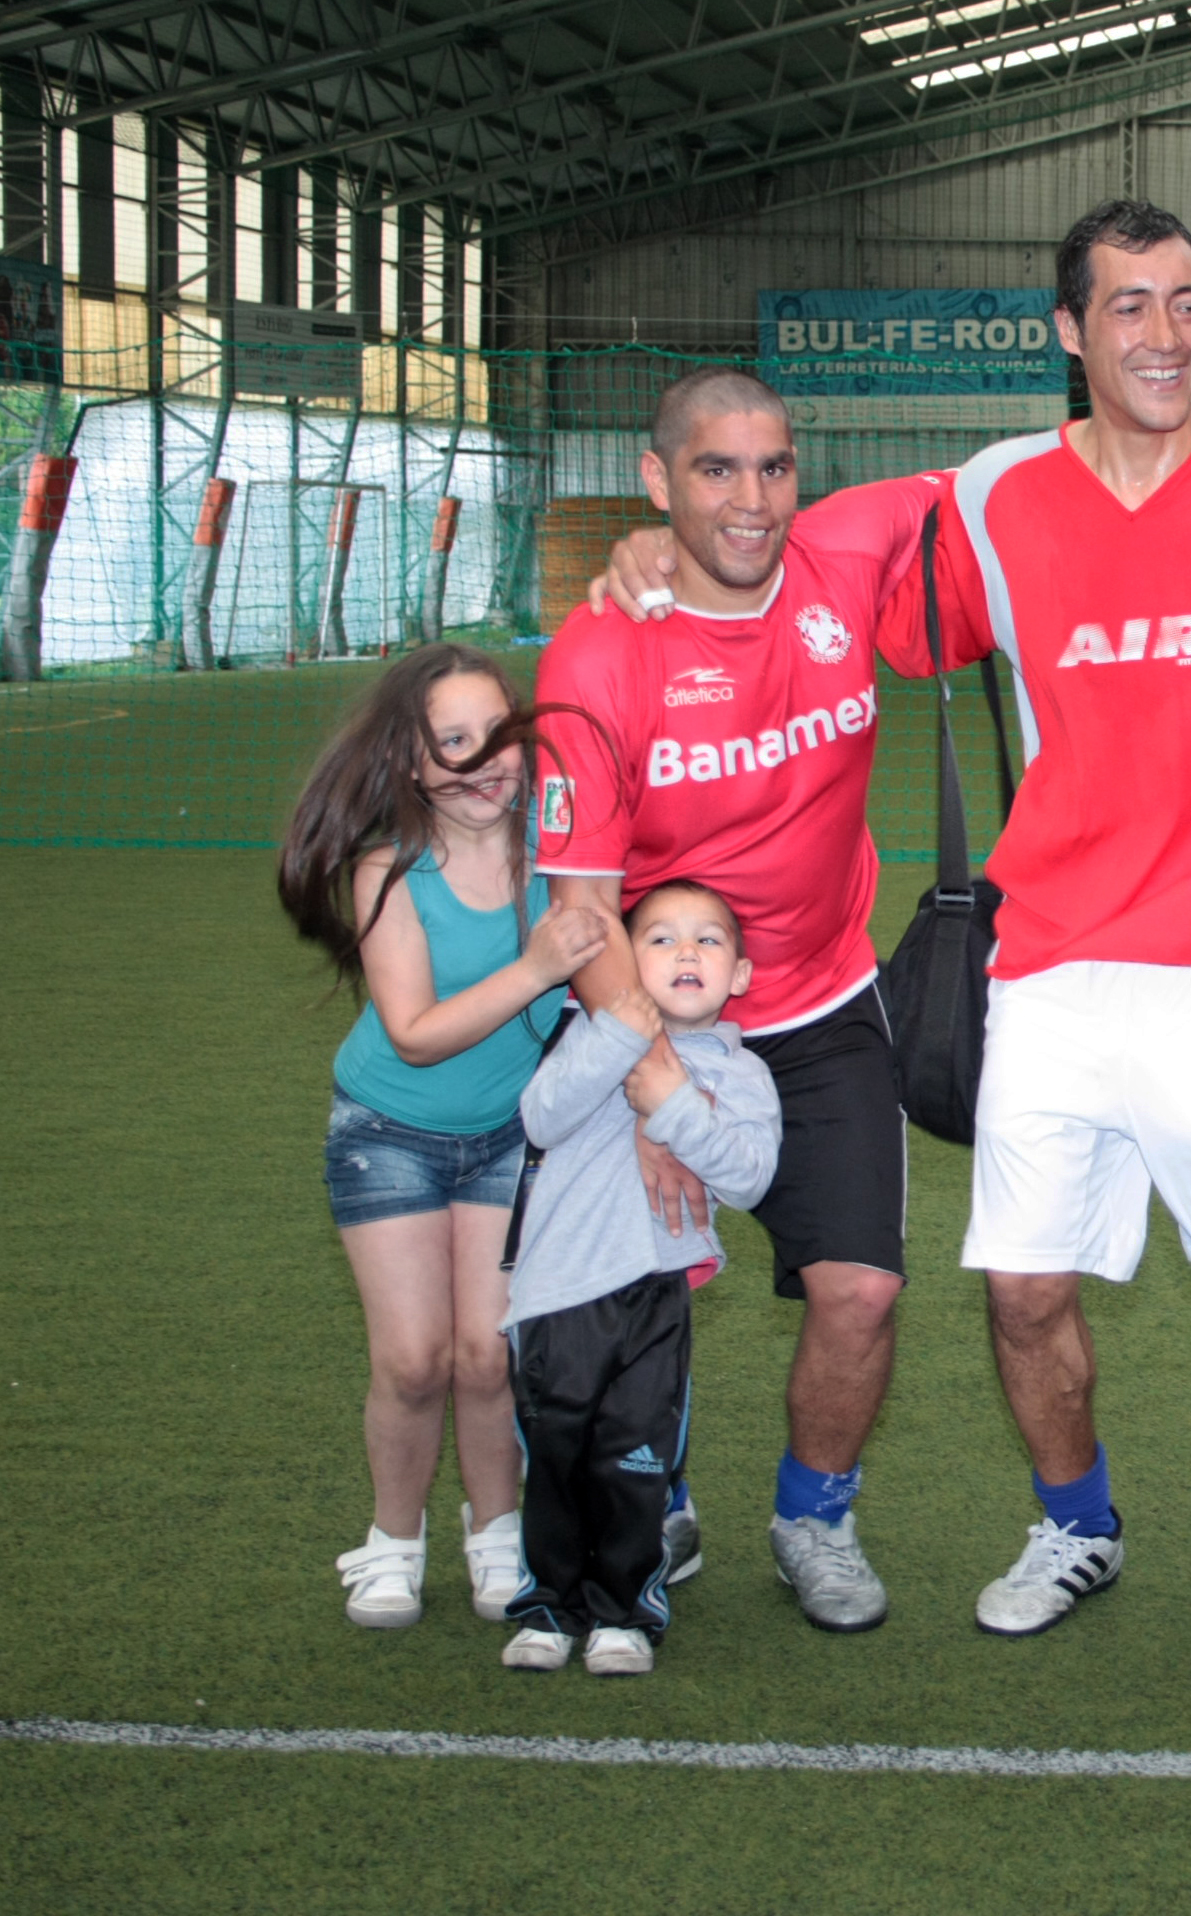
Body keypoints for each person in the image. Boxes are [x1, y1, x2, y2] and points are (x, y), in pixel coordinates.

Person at [874, 201, 1191, 1641]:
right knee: (1023, 1288)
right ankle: (1075, 1524)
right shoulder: (995, 494)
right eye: (1130, 306)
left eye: (1188, 303)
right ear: (1068, 329)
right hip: (1052, 960)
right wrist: (665, 558)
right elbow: (878, 598)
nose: (1166, 335)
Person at [541, 364, 945, 1633]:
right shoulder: (600, 651)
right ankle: (650, 1492)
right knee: (634, 1289)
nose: (752, 499)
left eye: (773, 467)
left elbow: (1037, 483)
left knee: (861, 1289)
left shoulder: (851, 549)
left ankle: (814, 1516)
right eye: (715, 470)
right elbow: (581, 912)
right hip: (651, 1019)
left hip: (823, 1004)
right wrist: (658, 1086)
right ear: (657, 480)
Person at [278, 644, 610, 1629]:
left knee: (487, 1354)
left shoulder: (560, 847)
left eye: (496, 735)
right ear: (410, 762)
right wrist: (536, 965)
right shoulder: (389, 868)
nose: (480, 762)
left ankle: (498, 1532)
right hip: (390, 1131)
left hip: (510, 1134)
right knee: (415, 1358)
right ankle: (393, 1541)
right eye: (450, 742)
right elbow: (417, 1033)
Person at [498, 880, 781, 1677]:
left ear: (739, 975)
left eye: (708, 939)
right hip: (557, 1293)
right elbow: (541, 1118)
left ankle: (625, 1612)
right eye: (659, 938)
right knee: (556, 1457)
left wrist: (674, 1101)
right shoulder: (591, 1034)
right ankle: (548, 1607)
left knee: (636, 1457)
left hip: (655, 1295)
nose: (686, 951)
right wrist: (620, 1038)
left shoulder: (743, 1074)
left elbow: (750, 1178)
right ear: (624, 963)